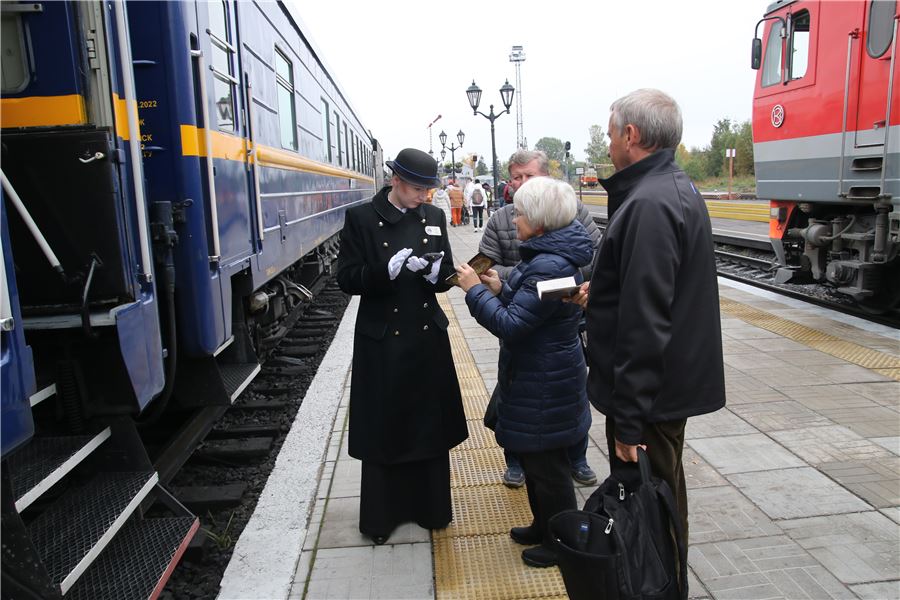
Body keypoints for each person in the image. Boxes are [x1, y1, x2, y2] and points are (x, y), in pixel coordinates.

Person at [569, 89, 726, 554]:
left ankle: (660, 582)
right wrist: (604, 294)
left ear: (631, 135)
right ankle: (664, 579)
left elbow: (646, 320)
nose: (609, 144)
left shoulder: (649, 203)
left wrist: (630, 422)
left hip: (651, 396)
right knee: (661, 494)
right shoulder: (671, 188)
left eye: (611, 134)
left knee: (651, 508)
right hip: (665, 387)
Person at [456, 177, 593, 568]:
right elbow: (536, 308)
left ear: (540, 221)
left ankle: (561, 543)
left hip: (545, 381)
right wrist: (499, 287)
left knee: (549, 469)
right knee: (536, 462)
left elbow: (512, 325)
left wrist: (474, 290)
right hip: (543, 373)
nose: (513, 220)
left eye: (519, 214)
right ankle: (543, 526)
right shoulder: (549, 258)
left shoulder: (549, 264)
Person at [336, 147, 468, 545]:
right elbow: (346, 278)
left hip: (426, 336)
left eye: (427, 190)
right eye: (416, 189)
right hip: (383, 340)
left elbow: (445, 273)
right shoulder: (361, 218)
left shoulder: (433, 216)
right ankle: (383, 516)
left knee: (428, 423)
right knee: (385, 426)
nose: (423, 197)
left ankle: (431, 508)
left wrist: (436, 274)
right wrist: (383, 273)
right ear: (395, 180)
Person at [479, 149, 602, 489]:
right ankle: (517, 462)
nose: (520, 183)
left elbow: (594, 259)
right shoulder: (502, 218)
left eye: (528, 177)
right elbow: (487, 262)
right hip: (519, 313)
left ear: (545, 177)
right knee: (520, 394)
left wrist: (545, 282)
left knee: (559, 395)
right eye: (515, 178)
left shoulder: (571, 211)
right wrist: (515, 283)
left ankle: (576, 457)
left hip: (552, 321)